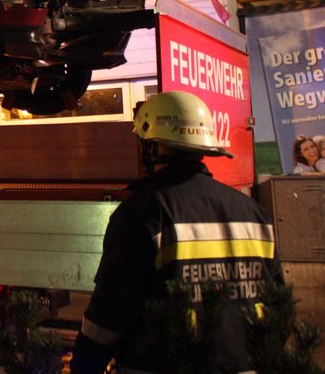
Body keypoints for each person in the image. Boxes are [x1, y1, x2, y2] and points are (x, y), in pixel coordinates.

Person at [70, 91, 282, 374]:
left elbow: (111, 312)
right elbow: (277, 303)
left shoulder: (143, 212)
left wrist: (85, 366)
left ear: (151, 147)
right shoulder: (253, 213)